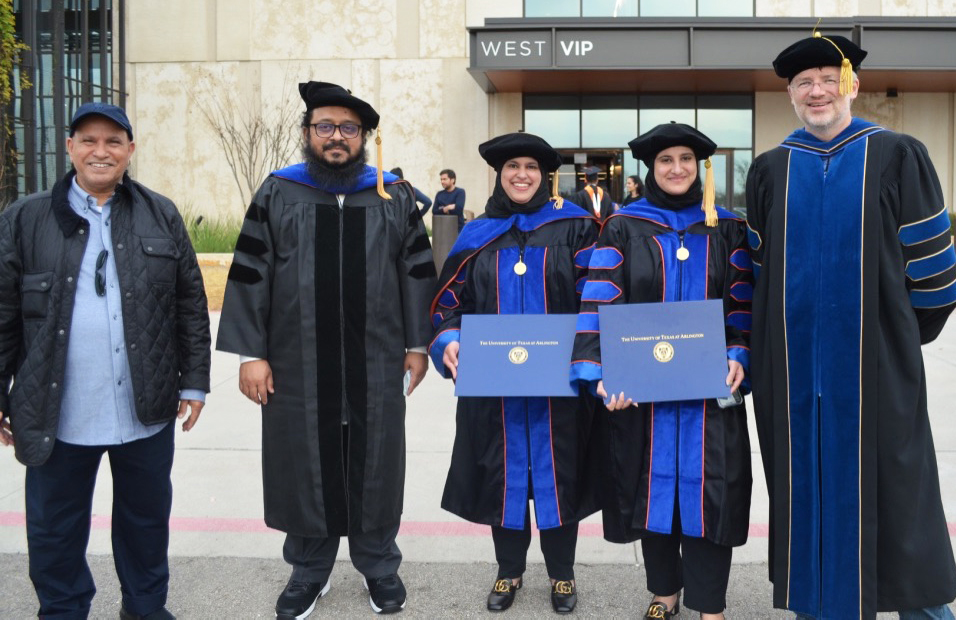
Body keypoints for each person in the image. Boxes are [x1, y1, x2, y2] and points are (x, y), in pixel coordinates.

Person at [746, 31, 956, 620]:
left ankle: (925, 610)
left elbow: (936, 270)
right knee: (802, 488)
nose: (817, 92)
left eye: (827, 79)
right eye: (803, 83)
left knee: (899, 486)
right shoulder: (770, 170)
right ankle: (820, 605)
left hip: (877, 365)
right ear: (789, 95)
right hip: (792, 373)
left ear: (852, 85)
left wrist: (893, 339)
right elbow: (759, 273)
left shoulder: (897, 154)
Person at [216, 81, 437, 618]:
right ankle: (309, 571)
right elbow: (251, 273)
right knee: (303, 464)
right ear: (307, 132)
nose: (336, 137)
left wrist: (417, 345)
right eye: (325, 127)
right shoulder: (278, 191)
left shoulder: (392, 194)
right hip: (296, 363)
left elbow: (416, 273)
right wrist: (251, 354)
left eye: (348, 128)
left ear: (364, 137)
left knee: (377, 463)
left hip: (377, 358)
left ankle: (380, 567)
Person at [0, 102, 211, 620]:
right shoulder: (25, 219)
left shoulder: (160, 212)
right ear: (69, 147)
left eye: (113, 141)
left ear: (130, 151)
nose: (101, 151)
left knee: (145, 521)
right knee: (54, 526)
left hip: (145, 402)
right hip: (57, 410)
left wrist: (195, 382)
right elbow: (3, 310)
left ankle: (144, 608)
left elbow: (190, 301)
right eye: (88, 140)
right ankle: (64, 609)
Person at [571, 123, 753, 620]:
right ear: (651, 168)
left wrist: (739, 354)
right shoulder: (623, 226)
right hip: (643, 394)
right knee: (651, 490)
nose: (676, 168)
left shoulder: (726, 226)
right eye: (666, 160)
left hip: (709, 395)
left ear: (700, 168)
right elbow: (600, 297)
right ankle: (665, 593)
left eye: (686, 160)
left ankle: (709, 604)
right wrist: (601, 371)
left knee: (711, 494)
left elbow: (741, 302)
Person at [429, 132, 601, 614]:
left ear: (545, 176)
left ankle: (562, 576)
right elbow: (447, 303)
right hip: (495, 388)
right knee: (502, 477)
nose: (521, 174)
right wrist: (451, 339)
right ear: (500, 175)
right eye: (512, 168)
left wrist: (589, 356)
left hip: (560, 388)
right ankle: (509, 572)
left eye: (530, 167)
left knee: (559, 475)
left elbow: (599, 296)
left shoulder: (577, 228)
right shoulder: (478, 234)